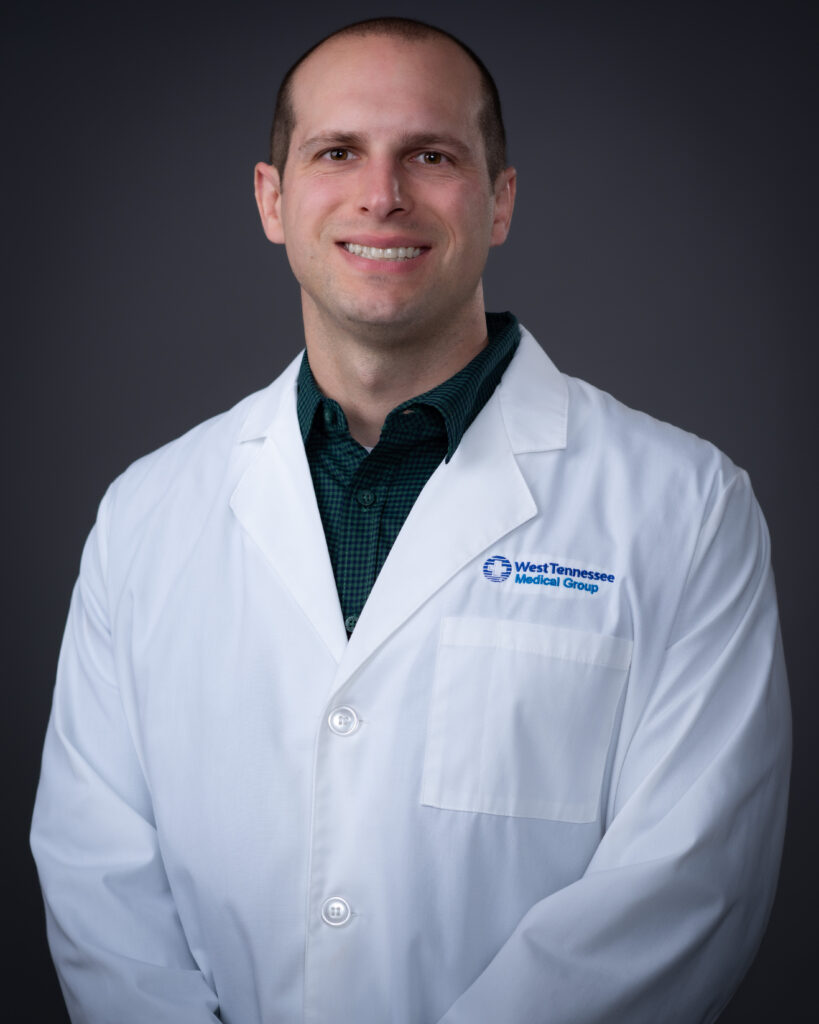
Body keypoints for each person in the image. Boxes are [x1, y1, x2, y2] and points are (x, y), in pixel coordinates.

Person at [31, 16, 791, 1024]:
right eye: (337, 151)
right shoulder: (144, 515)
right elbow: (99, 883)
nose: (381, 194)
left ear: (501, 198)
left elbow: (685, 888)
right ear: (272, 198)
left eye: (430, 155)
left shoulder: (686, 509)